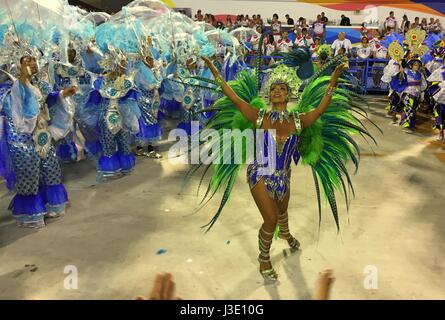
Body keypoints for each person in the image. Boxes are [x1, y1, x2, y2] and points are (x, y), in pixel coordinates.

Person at [193, 52, 373, 281]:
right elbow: (235, 100)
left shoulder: (298, 120)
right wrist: (216, 73)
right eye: (273, 89)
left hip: (284, 177)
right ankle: (264, 258)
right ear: (269, 95)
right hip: (259, 173)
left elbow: (320, 110)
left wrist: (334, 80)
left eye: (282, 89)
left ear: (289, 95)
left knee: (282, 212)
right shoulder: (258, 117)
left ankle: (286, 233)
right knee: (270, 220)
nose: (277, 91)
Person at [0, 51, 76, 228]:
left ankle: (51, 206)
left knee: (50, 168)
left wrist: (62, 94)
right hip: (22, 139)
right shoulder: (8, 88)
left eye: (34, 59)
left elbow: (45, 101)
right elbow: (16, 112)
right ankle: (30, 215)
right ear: (16, 65)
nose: (33, 63)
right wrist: (21, 82)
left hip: (42, 135)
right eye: (27, 60)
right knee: (29, 175)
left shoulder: (39, 83)